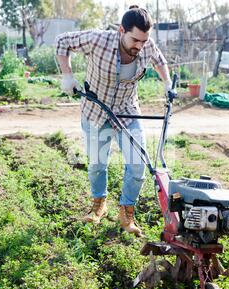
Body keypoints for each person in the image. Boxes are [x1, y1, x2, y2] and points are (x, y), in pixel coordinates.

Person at [55, 5, 174, 237]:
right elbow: (61, 41)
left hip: (128, 111)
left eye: (144, 41)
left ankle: (127, 213)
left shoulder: (145, 46)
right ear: (121, 30)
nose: (139, 46)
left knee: (138, 165)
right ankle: (98, 205)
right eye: (135, 40)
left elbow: (160, 60)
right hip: (96, 111)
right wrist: (67, 75)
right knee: (98, 164)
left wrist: (167, 82)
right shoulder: (98, 39)